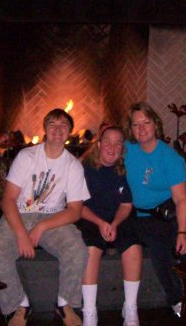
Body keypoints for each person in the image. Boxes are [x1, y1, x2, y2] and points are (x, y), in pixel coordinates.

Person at [0, 109, 90, 326]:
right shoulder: (27, 156)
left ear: (70, 131)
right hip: (19, 213)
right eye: (52, 124)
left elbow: (75, 211)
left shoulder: (73, 166)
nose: (57, 130)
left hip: (53, 217)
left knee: (78, 251)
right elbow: (8, 200)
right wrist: (22, 234)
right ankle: (18, 305)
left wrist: (41, 227)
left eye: (63, 125)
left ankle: (64, 304)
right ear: (45, 129)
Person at [123, 102, 186, 317]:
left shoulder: (170, 158)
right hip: (146, 215)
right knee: (160, 249)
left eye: (146, 122)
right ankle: (176, 299)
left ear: (156, 125)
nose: (141, 129)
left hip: (176, 208)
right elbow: (100, 149)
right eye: (136, 125)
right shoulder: (127, 149)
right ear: (130, 129)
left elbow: (181, 199)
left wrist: (182, 232)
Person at [77, 125, 142, 326]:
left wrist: (114, 223)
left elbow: (126, 204)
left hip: (117, 218)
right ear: (98, 144)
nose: (112, 147)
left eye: (117, 143)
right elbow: (76, 206)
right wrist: (100, 223)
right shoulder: (84, 168)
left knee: (133, 245)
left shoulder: (123, 170)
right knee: (91, 248)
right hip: (88, 217)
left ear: (123, 148)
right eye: (107, 141)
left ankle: (130, 308)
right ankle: (89, 312)